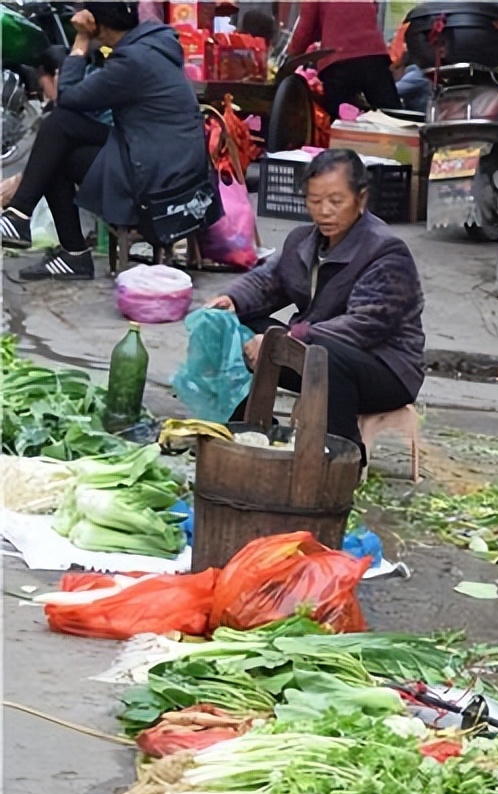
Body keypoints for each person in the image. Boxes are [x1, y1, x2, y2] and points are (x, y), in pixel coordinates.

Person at [207, 149, 425, 463]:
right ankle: (251, 428)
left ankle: (343, 456)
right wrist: (230, 300)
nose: (324, 211)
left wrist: (291, 337)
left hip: (385, 370)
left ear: (360, 199)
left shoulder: (385, 251)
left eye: (336, 201)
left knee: (327, 354)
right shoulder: (302, 241)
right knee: (238, 328)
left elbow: (363, 326)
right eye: (315, 201)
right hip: (314, 352)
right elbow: (268, 280)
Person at [0, 2, 208, 281]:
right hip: (162, 155)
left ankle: (40, 230)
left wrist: (82, 40)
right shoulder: (152, 44)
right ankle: (31, 225)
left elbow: (68, 98)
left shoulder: (133, 62)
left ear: (97, 24)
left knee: (57, 136)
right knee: (58, 135)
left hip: (159, 176)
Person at [288, 1, 402, 119]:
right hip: (373, 56)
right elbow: (373, 9)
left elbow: (304, 31)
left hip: (338, 61)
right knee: (392, 115)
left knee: (338, 119)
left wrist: (292, 55)